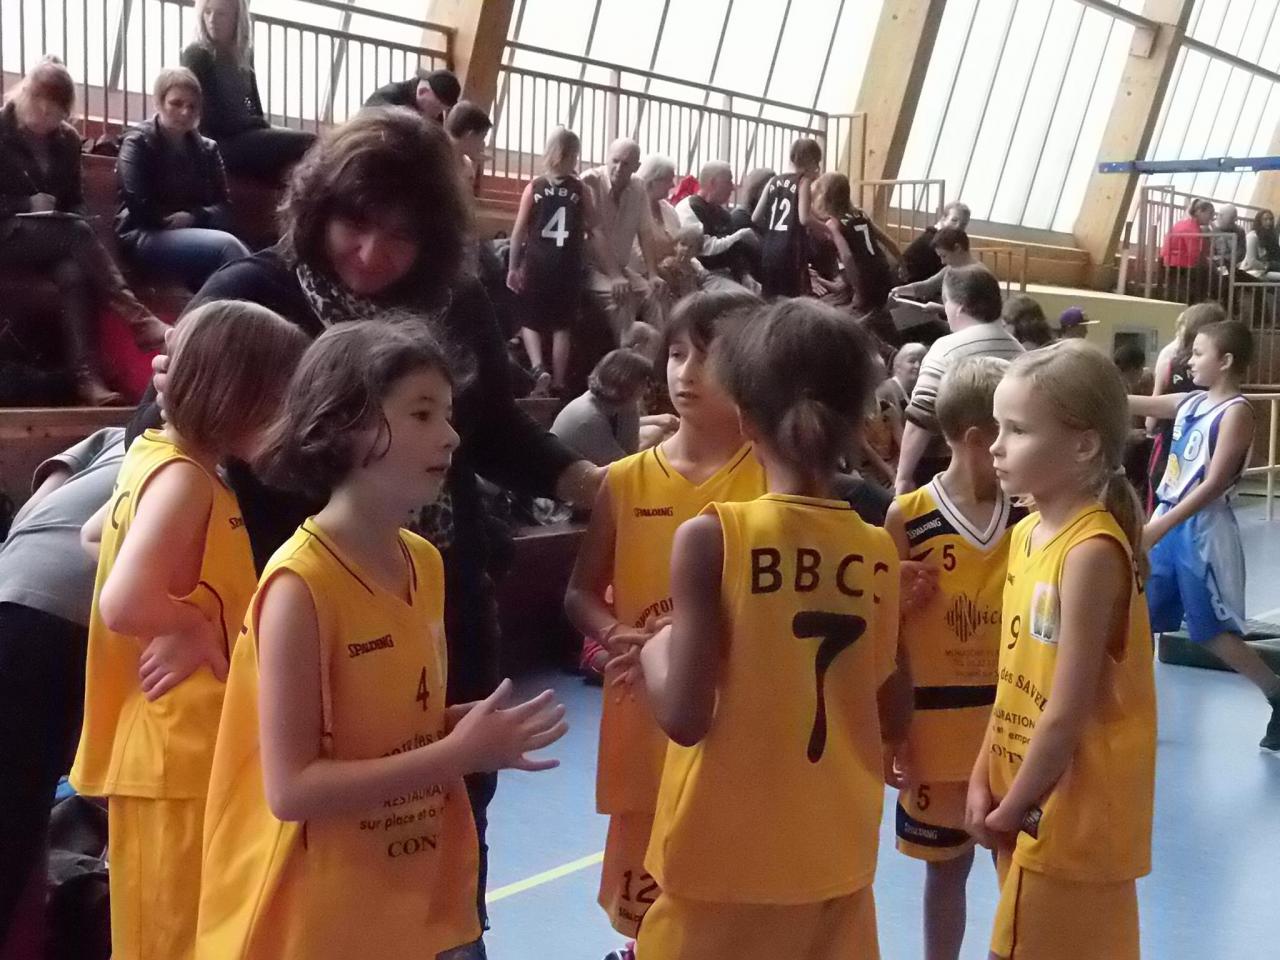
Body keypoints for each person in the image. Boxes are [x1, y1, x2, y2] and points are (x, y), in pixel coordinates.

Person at [132, 108, 602, 930]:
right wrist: (165, 613)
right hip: (298, 612)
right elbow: (155, 444)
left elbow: (490, 423)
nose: (374, 255)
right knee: (314, 854)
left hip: (435, 594)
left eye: (402, 236)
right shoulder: (253, 293)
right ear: (318, 208)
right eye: (357, 223)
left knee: (448, 842)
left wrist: (576, 475)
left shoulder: (453, 303)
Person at [196, 320, 568, 960]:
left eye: (448, 414)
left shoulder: (423, 561)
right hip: (317, 913)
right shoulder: (299, 587)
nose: (450, 435)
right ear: (344, 425)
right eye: (422, 413)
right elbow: (292, 789)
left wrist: (456, 727)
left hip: (404, 883)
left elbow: (387, 727)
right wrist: (455, 756)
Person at [632, 298, 906, 960]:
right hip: (834, 855)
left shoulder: (713, 539)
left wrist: (654, 650)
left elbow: (686, 716)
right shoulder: (876, 550)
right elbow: (894, 714)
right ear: (854, 421)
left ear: (745, 417)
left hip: (721, 859)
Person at [70, 301, 308, 960]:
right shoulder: (184, 481)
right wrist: (193, 618)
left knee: (204, 935)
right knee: (166, 943)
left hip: (197, 752)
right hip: (171, 760)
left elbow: (96, 538)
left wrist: (180, 590)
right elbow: (122, 602)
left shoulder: (167, 460)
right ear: (240, 396)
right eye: (279, 399)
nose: (288, 418)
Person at [564, 291, 766, 960]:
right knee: (645, 914)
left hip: (730, 722)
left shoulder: (771, 482)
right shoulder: (624, 480)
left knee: (724, 904)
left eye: (707, 359)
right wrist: (614, 632)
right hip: (642, 717)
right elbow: (580, 595)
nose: (685, 373)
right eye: (678, 354)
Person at [971, 339, 1157, 960]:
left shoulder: (1091, 553)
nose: (995, 446)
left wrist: (1016, 804)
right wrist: (983, 773)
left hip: (1067, 810)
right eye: (998, 427)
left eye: (1017, 430)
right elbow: (1015, 676)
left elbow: (1067, 710)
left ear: (1083, 444)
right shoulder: (1025, 534)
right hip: (1024, 791)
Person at [887, 357, 1019, 960]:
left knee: (1018, 869)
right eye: (1015, 427)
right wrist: (893, 732)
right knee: (946, 871)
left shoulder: (1034, 515)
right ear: (979, 439)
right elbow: (886, 635)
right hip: (936, 734)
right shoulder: (908, 518)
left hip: (1015, 729)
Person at [0, 428, 125, 947]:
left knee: (21, 829)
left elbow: (35, 508)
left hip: (16, 587)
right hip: (54, 623)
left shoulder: (117, 438)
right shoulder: (191, 464)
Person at [1129, 321, 1280, 749]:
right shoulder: (1190, 401)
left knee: (1211, 633)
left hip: (1201, 531)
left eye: (1198, 353)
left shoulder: (1237, 412)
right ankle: (1127, 706)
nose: (1188, 360)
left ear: (1226, 361)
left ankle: (1277, 693)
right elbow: (1132, 401)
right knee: (1139, 619)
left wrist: (1161, 523)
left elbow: (1213, 484)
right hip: (1169, 521)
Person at [0, 58, 166, 405]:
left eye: (54, 109)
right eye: (38, 102)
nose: (44, 114)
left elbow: (75, 201)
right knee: (76, 233)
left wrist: (60, 213)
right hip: (7, 233)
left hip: (49, 240)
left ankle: (86, 379)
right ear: (25, 93)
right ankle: (138, 318)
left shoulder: (67, 141)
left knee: (74, 271)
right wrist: (27, 206)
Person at [115, 67, 250, 293]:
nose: (185, 112)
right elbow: (138, 203)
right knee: (228, 248)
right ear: (158, 103)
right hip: (145, 235)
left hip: (195, 233)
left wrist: (192, 216)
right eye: (176, 103)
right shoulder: (137, 142)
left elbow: (224, 208)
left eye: (192, 106)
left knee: (250, 260)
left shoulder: (208, 149)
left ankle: (216, 324)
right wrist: (169, 221)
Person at [896, 264, 1022, 494]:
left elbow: (920, 419)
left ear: (959, 307)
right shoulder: (1020, 352)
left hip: (950, 472)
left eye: (946, 302)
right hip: (1006, 471)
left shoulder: (946, 348)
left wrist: (903, 477)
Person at [182, 0, 317, 182]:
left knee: (303, 150)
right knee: (309, 141)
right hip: (216, 142)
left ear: (237, 18)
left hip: (244, 134)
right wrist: (256, 125)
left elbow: (253, 104)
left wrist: (262, 125)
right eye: (207, 12)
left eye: (221, 13)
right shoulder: (196, 55)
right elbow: (207, 119)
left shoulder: (243, 52)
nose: (212, 20)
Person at [508, 127, 595, 396]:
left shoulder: (534, 187)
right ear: (574, 155)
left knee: (529, 318)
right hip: (568, 264)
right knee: (562, 326)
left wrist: (513, 266)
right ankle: (558, 380)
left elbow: (519, 231)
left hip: (537, 261)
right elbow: (594, 224)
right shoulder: (580, 189)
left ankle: (537, 368)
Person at [582, 138, 667, 339]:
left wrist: (653, 274)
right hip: (588, 267)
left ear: (636, 167)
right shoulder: (589, 183)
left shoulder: (639, 188)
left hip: (620, 268)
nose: (619, 167)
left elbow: (645, 233)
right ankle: (625, 361)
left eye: (626, 163)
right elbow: (594, 233)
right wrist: (614, 277)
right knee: (621, 297)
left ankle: (660, 358)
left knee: (654, 295)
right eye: (615, 160)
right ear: (607, 158)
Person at [1146, 302, 1224, 510]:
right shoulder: (1221, 375)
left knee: (1161, 499)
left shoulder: (1169, 360)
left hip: (1172, 443)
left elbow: (1153, 411)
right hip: (1200, 448)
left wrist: (1150, 426)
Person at [812, 172, 900, 322]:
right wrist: (901, 262)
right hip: (882, 270)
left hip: (865, 277)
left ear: (826, 196)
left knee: (857, 315)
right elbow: (885, 239)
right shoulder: (860, 214)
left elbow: (847, 257)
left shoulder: (834, 224)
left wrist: (858, 291)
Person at [551, 348, 653, 466]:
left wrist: (631, 407)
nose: (647, 389)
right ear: (626, 383)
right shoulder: (588, 417)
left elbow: (630, 453)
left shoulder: (621, 405)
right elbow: (621, 468)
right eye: (644, 382)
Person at [752, 138, 823, 298]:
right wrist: (827, 229)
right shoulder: (803, 182)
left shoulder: (773, 181)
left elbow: (756, 217)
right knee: (791, 301)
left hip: (769, 250)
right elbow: (804, 218)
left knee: (769, 299)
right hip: (790, 251)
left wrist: (773, 229)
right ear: (812, 161)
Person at [675, 160, 759, 282]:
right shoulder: (689, 208)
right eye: (729, 181)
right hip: (701, 276)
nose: (733, 187)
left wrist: (744, 274)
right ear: (713, 183)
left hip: (726, 275)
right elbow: (703, 248)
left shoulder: (723, 214)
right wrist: (740, 235)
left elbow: (734, 251)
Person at [890, 227, 976, 307]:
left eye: (944, 256)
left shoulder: (976, 275)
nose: (942, 262)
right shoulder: (951, 268)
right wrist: (899, 290)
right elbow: (928, 286)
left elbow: (968, 312)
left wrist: (938, 309)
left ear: (957, 248)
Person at [901, 202, 970, 284]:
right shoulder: (933, 240)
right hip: (909, 285)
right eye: (954, 220)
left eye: (963, 224)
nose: (958, 226)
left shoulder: (945, 238)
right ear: (944, 218)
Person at [1160, 198, 1213, 303]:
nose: (1211, 217)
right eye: (1210, 213)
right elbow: (1195, 253)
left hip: (1169, 263)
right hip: (1179, 266)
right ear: (1199, 211)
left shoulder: (1185, 223)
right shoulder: (1191, 228)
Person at [365, 66, 461, 124]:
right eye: (436, 108)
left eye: (442, 110)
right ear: (422, 92)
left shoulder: (433, 114)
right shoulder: (386, 100)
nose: (437, 115)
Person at [445, 100, 493, 182]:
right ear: (469, 135)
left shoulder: (465, 163)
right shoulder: (439, 159)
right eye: (481, 138)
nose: (482, 144)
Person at [729, 167, 775, 232]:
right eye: (769, 188)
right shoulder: (740, 217)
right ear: (756, 189)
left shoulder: (771, 215)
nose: (774, 191)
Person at [1241, 209, 1280, 279]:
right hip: (1254, 271)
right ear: (1259, 221)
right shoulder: (1252, 236)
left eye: (1271, 219)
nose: (1269, 222)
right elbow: (1252, 261)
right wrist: (1268, 266)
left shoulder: (1272, 236)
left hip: (1267, 269)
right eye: (1265, 219)